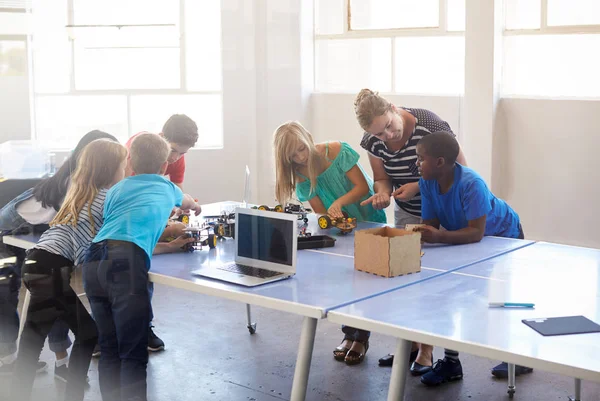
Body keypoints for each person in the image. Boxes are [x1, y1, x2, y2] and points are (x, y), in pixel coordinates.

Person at [354, 88, 468, 375]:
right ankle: (412, 347)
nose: (387, 136)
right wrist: (383, 194)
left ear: (394, 108)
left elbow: (461, 169)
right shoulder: (373, 141)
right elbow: (382, 179)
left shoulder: (430, 126)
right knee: (408, 282)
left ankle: (433, 353)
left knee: (438, 286)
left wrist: (419, 186)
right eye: (379, 134)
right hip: (407, 212)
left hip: (443, 208)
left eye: (389, 126)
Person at [81, 133, 201, 401]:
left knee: (109, 349)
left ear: (130, 162)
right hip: (125, 265)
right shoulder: (168, 188)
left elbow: (125, 227)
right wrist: (195, 205)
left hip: (93, 260)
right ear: (163, 167)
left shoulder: (116, 189)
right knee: (133, 353)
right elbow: (188, 202)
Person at [10, 138, 127, 401]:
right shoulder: (108, 197)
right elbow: (124, 233)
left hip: (35, 265)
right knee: (89, 333)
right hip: (51, 269)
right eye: (123, 164)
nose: (125, 169)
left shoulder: (80, 192)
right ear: (111, 168)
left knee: (31, 342)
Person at [414, 131, 531, 385]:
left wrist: (437, 236)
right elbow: (432, 223)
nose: (417, 163)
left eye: (421, 158)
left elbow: (476, 233)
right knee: (444, 293)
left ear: (440, 162)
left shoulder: (471, 183)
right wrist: (422, 233)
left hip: (503, 235)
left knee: (500, 301)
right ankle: (451, 363)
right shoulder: (427, 182)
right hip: (464, 237)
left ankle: (518, 357)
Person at [273, 121, 386, 365]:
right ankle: (349, 334)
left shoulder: (336, 151)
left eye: (302, 149)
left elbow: (362, 186)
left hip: (367, 218)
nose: (300, 157)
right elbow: (321, 213)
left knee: (364, 283)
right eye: (293, 156)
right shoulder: (300, 174)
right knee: (345, 282)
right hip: (344, 228)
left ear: (308, 138)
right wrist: (334, 218)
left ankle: (361, 338)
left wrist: (340, 203)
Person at [124, 114, 199, 352]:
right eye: (174, 151)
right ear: (163, 137)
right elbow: (128, 195)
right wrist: (165, 227)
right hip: (125, 223)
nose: (176, 158)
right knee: (134, 274)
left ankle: (143, 325)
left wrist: (175, 210)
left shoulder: (177, 159)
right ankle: (138, 328)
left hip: (144, 222)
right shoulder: (137, 150)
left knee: (144, 271)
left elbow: (176, 190)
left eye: (183, 154)